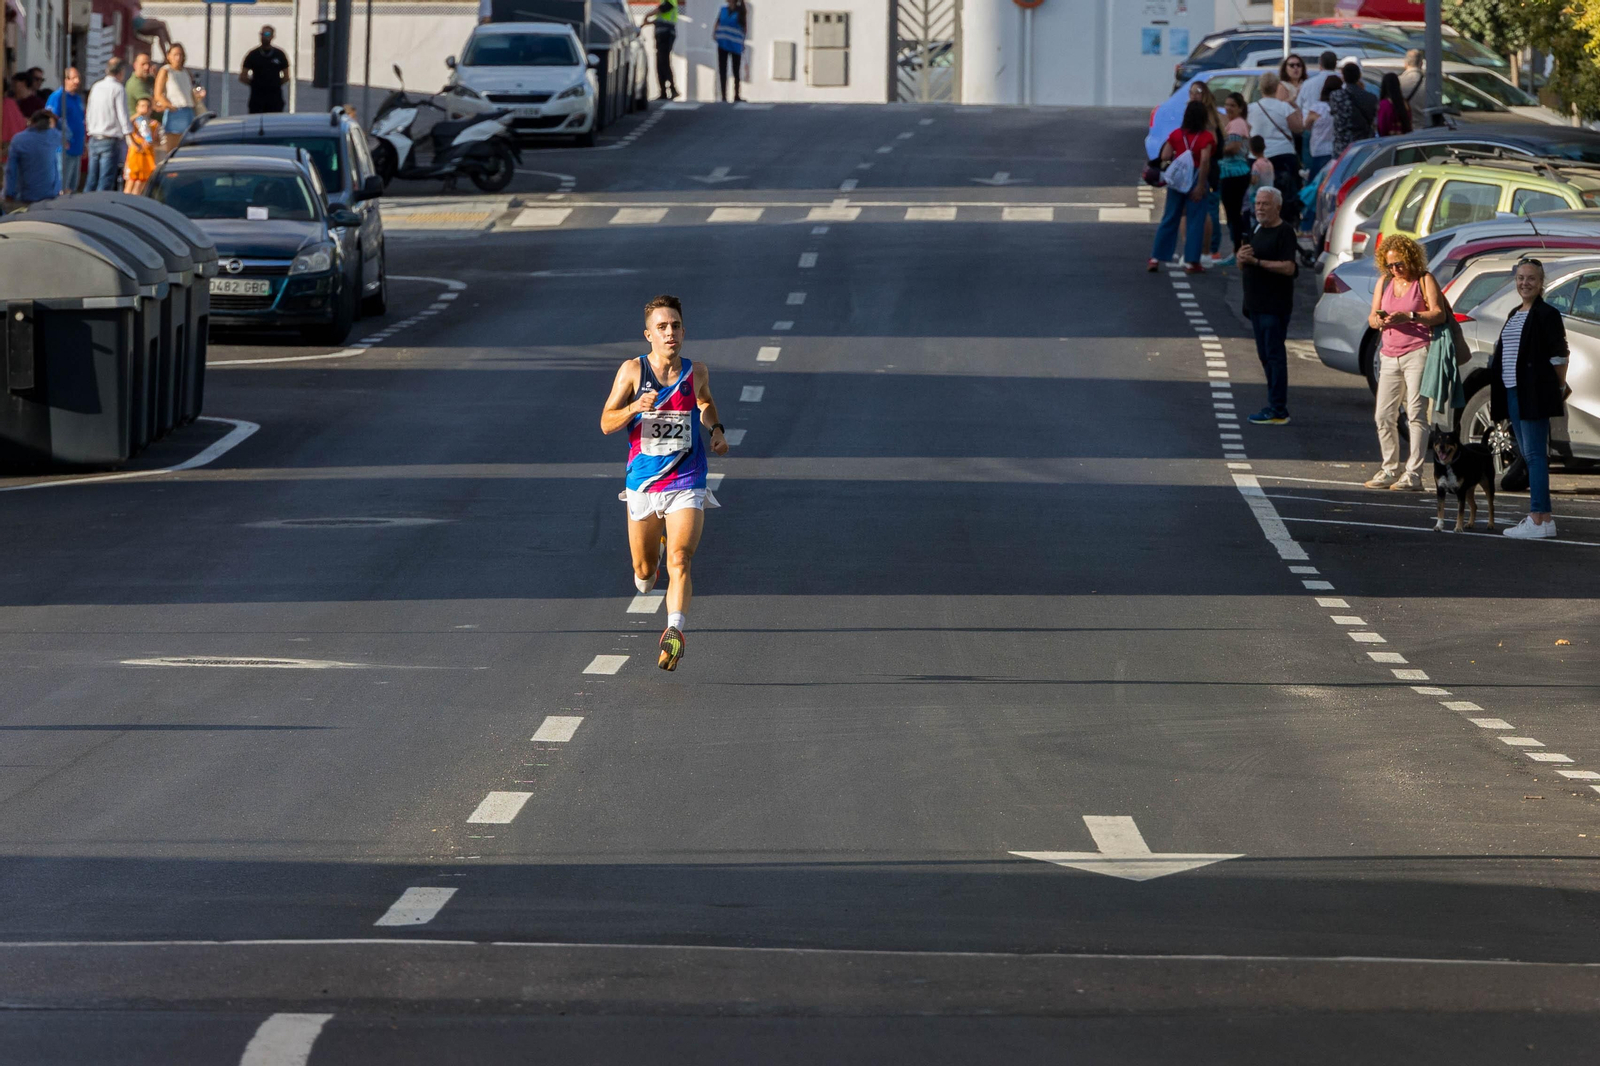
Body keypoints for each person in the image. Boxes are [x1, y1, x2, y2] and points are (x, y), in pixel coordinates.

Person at [599, 295, 729, 672]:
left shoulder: (696, 371)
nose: (669, 332)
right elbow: (607, 423)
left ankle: (674, 630)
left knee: (681, 557)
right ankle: (647, 570)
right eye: (662, 327)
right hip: (643, 484)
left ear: (683, 332)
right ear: (648, 335)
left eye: (675, 326)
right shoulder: (632, 372)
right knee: (644, 571)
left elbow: (705, 404)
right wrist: (634, 408)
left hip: (688, 479)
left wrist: (716, 429)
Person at [1364, 234, 1448, 491]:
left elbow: (1438, 313)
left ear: (1411, 258)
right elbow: (1371, 317)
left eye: (1398, 264)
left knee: (1416, 413)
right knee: (1383, 415)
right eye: (1389, 265)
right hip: (1389, 353)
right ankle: (1389, 468)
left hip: (1417, 352)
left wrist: (1409, 316)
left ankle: (1413, 473)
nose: (1394, 269)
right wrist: (1378, 321)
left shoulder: (1424, 279)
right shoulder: (1385, 281)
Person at [1492, 259, 1568, 539]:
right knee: (1528, 455)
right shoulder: (1515, 312)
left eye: (1531, 279)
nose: (1525, 283)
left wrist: (1554, 389)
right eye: (1521, 278)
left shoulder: (1547, 314)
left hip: (1534, 394)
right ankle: (1544, 519)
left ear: (1541, 282)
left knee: (1535, 456)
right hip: (1513, 392)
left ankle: (1537, 518)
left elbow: (1560, 355)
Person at [1239, 186, 1298, 425]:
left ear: (1277, 207)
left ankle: (1278, 409)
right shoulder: (1256, 229)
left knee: (1274, 356)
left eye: (1265, 204)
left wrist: (1257, 261)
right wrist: (1242, 259)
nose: (1260, 208)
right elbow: (1245, 264)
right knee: (1264, 356)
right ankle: (1273, 404)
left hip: (1274, 306)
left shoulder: (1285, 232)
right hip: (1255, 304)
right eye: (1258, 204)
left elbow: (1289, 267)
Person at [1146, 100, 1214, 274]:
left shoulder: (1176, 134)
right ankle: (1192, 262)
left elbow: (1165, 155)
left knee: (1170, 217)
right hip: (1197, 175)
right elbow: (1205, 160)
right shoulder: (1206, 137)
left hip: (1178, 179)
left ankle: (1155, 257)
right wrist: (1200, 185)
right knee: (1195, 219)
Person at [1250, 71, 1304, 228]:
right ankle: (1285, 224)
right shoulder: (1284, 107)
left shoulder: (1251, 108)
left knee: (1259, 195)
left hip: (1257, 157)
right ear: (1276, 87)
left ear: (1260, 88)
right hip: (1283, 155)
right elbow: (1298, 127)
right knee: (1285, 195)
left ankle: (1258, 226)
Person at [1189, 80, 1226, 266]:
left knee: (1209, 208)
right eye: (1191, 92)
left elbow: (1211, 143)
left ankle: (1211, 250)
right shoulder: (1209, 115)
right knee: (1206, 208)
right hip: (1205, 164)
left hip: (1209, 166)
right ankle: (1206, 249)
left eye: (1197, 92)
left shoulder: (1208, 117)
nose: (1194, 96)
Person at [84, 58, 133, 193]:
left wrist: (89, 130)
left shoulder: (96, 86)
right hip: (110, 139)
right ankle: (99, 209)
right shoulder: (118, 88)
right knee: (105, 181)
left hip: (94, 137)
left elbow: (89, 111)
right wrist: (130, 137)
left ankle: (83, 207)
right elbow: (123, 115)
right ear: (121, 72)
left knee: (92, 179)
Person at [1217, 92, 1252, 266]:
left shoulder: (1237, 124)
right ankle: (1237, 249)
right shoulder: (1235, 123)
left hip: (1235, 174)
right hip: (1233, 174)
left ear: (1240, 108)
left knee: (1233, 215)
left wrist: (1217, 149)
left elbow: (1234, 147)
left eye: (1233, 105)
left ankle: (1237, 250)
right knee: (1233, 214)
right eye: (1227, 104)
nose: (1229, 108)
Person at [2, 109, 61, 211]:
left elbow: (11, 171)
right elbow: (68, 133)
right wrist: (56, 119)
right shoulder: (53, 136)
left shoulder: (18, 139)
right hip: (50, 195)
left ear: (31, 122)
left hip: (25, 197)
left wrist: (9, 194)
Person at [154, 44, 204, 151]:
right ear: (169, 56)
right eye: (175, 55)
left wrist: (198, 96)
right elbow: (158, 94)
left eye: (180, 55)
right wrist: (169, 106)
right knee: (173, 147)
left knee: (188, 145)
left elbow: (189, 91)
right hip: (175, 111)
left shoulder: (186, 72)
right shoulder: (166, 71)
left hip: (188, 110)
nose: (178, 58)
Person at [46, 68, 85, 195]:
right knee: (62, 187)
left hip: (76, 148)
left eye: (78, 78)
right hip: (62, 150)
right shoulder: (57, 97)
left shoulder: (77, 98)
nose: (77, 81)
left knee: (72, 188)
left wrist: (83, 144)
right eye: (73, 78)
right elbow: (50, 119)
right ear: (65, 80)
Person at [1330, 61, 1377, 156]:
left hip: (1342, 146)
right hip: (1364, 144)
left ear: (1343, 77)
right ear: (1359, 76)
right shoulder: (1371, 98)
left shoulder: (1336, 96)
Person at [241, 26, 291, 114]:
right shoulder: (253, 54)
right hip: (257, 99)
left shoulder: (279, 54)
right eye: (262, 34)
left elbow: (286, 76)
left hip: (275, 99)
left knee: (273, 123)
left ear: (273, 36)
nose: (264, 36)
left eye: (267, 34)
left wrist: (274, 84)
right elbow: (243, 76)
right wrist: (256, 84)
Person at [643, 1, 680, 101]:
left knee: (664, 62)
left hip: (666, 35)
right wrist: (648, 23)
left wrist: (647, 15)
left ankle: (672, 89)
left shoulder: (670, 1)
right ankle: (663, 91)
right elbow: (660, 19)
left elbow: (664, 8)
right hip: (662, 35)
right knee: (660, 63)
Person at [1305, 75, 1338, 179]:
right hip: (1335, 149)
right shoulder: (1340, 107)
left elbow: (1307, 125)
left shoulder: (1317, 108)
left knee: (1316, 181)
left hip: (1318, 149)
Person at [124, 97, 159, 195]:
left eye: (148, 106)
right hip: (135, 156)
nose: (145, 109)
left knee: (141, 184)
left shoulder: (154, 123)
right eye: (142, 106)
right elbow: (126, 125)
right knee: (130, 182)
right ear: (137, 107)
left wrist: (153, 142)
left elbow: (157, 141)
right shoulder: (134, 122)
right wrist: (138, 114)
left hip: (147, 157)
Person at [714, 0, 746, 103]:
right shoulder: (723, 10)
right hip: (723, 43)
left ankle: (736, 95)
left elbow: (744, 28)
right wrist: (715, 33)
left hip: (735, 45)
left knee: (735, 70)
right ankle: (723, 95)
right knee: (722, 70)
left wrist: (742, 42)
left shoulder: (740, 11)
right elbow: (718, 22)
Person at [1242, 134, 1274, 229]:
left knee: (1256, 219)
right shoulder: (1268, 163)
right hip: (1269, 195)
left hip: (1257, 197)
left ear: (1251, 149)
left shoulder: (1256, 165)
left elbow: (1254, 180)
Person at [1376, 72, 1413, 137]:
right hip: (1405, 140)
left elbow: (1382, 127)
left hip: (1389, 141)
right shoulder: (1405, 103)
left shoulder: (1385, 104)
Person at [1398, 49, 1425, 126]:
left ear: (1405, 63)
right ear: (1421, 63)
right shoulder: (1428, 84)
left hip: (1403, 128)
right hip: (1425, 129)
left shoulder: (1398, 82)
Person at [125, 53, 155, 118]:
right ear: (135, 65)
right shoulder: (135, 83)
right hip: (139, 123)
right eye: (143, 64)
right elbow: (151, 106)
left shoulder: (149, 79)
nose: (146, 67)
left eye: (149, 64)